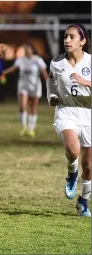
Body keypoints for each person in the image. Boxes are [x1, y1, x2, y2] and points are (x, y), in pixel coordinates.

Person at [47, 24, 91, 217]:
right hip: (66, 112)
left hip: (88, 113)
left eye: (72, 37)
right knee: (73, 149)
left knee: (89, 166)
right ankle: (71, 174)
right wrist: (52, 96)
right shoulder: (57, 62)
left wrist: (86, 82)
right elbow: (51, 82)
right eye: (65, 37)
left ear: (83, 41)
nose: (67, 40)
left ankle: (83, 202)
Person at [2, 44, 49, 137]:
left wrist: (48, 83)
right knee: (22, 106)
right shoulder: (21, 59)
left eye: (28, 49)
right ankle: (24, 127)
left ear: (32, 50)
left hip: (35, 86)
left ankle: (31, 129)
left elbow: (44, 72)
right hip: (23, 86)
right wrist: (3, 72)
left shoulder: (37, 60)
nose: (27, 51)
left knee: (33, 106)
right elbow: (13, 68)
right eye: (25, 50)